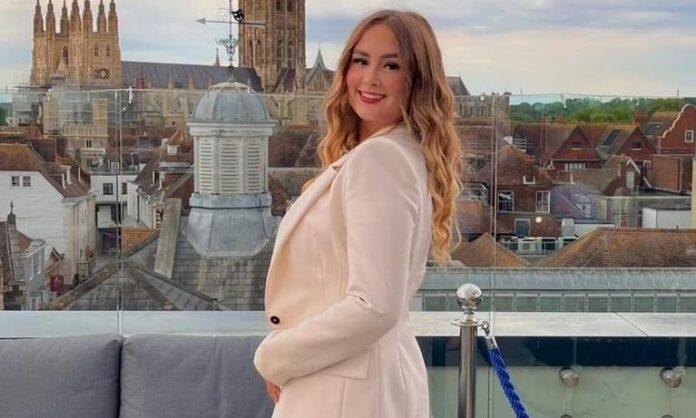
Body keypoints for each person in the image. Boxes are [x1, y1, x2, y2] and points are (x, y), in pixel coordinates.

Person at [253, 9, 462, 418]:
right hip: (361, 382)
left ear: (416, 79)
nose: (370, 78)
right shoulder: (398, 153)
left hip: (346, 393)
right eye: (361, 61)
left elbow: (374, 305)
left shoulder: (379, 160)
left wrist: (275, 357)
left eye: (391, 66)